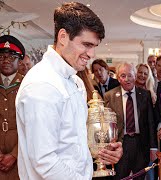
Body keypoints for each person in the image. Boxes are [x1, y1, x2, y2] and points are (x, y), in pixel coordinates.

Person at [15, 2, 122, 179]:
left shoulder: (75, 81)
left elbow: (75, 142)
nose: (92, 54)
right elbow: (44, 162)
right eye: (87, 44)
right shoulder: (42, 84)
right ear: (63, 36)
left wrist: (106, 150)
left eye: (94, 46)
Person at [104, 62, 157, 180]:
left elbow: (151, 123)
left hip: (141, 143)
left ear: (135, 75)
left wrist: (153, 147)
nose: (127, 79)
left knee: (141, 176)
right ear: (118, 78)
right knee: (120, 176)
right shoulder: (109, 96)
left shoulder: (145, 95)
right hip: (121, 144)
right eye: (123, 76)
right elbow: (107, 125)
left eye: (130, 75)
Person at [0, 35, 25, 180]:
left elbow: (33, 125)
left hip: (21, 154)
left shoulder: (28, 85)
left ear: (19, 60)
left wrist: (14, 155)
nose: (5, 61)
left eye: (11, 57)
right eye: (2, 57)